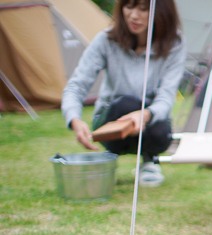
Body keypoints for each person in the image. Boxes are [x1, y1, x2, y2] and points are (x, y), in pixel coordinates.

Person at [61, 0, 186, 188]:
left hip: (150, 126)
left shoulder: (175, 43)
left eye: (143, 9)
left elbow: (166, 96)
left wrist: (145, 115)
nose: (134, 15)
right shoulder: (105, 40)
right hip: (111, 121)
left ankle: (149, 161)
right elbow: (76, 86)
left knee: (155, 120)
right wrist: (74, 120)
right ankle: (109, 159)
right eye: (129, 7)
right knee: (126, 104)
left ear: (161, 12)